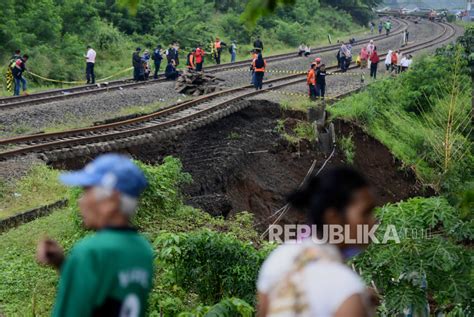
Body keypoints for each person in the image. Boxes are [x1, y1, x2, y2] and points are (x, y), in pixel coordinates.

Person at [36, 154, 154, 317]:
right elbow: (109, 296)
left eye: (86, 191)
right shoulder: (143, 250)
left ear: (111, 200)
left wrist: (77, 264)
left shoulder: (89, 252)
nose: (80, 201)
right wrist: (64, 265)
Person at [257, 167, 377, 317]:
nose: (373, 222)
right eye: (366, 213)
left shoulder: (278, 258)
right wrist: (360, 305)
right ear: (333, 218)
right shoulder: (346, 288)